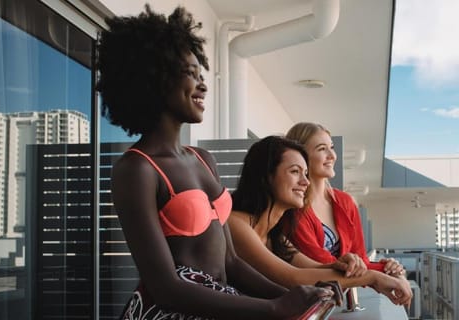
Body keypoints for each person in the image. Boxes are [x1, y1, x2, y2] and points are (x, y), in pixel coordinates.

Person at [96, 5, 339, 319]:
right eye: (189, 73)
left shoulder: (203, 159)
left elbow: (231, 264)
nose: (202, 84)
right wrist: (275, 308)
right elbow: (164, 286)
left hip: (218, 307)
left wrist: (297, 297)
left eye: (201, 74)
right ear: (154, 78)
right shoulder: (136, 169)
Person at [228, 135, 412, 307]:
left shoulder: (274, 236)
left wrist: (341, 263)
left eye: (306, 173)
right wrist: (372, 277)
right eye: (295, 172)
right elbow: (294, 278)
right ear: (266, 176)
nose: (306, 182)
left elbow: (317, 268)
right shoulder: (235, 224)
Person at [284, 122, 404, 276]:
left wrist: (390, 269)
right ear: (300, 156)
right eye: (322, 149)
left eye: (331, 147)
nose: (332, 155)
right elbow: (326, 265)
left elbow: (361, 261)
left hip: (338, 296)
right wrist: (381, 273)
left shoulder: (345, 201)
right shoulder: (294, 207)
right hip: (306, 295)